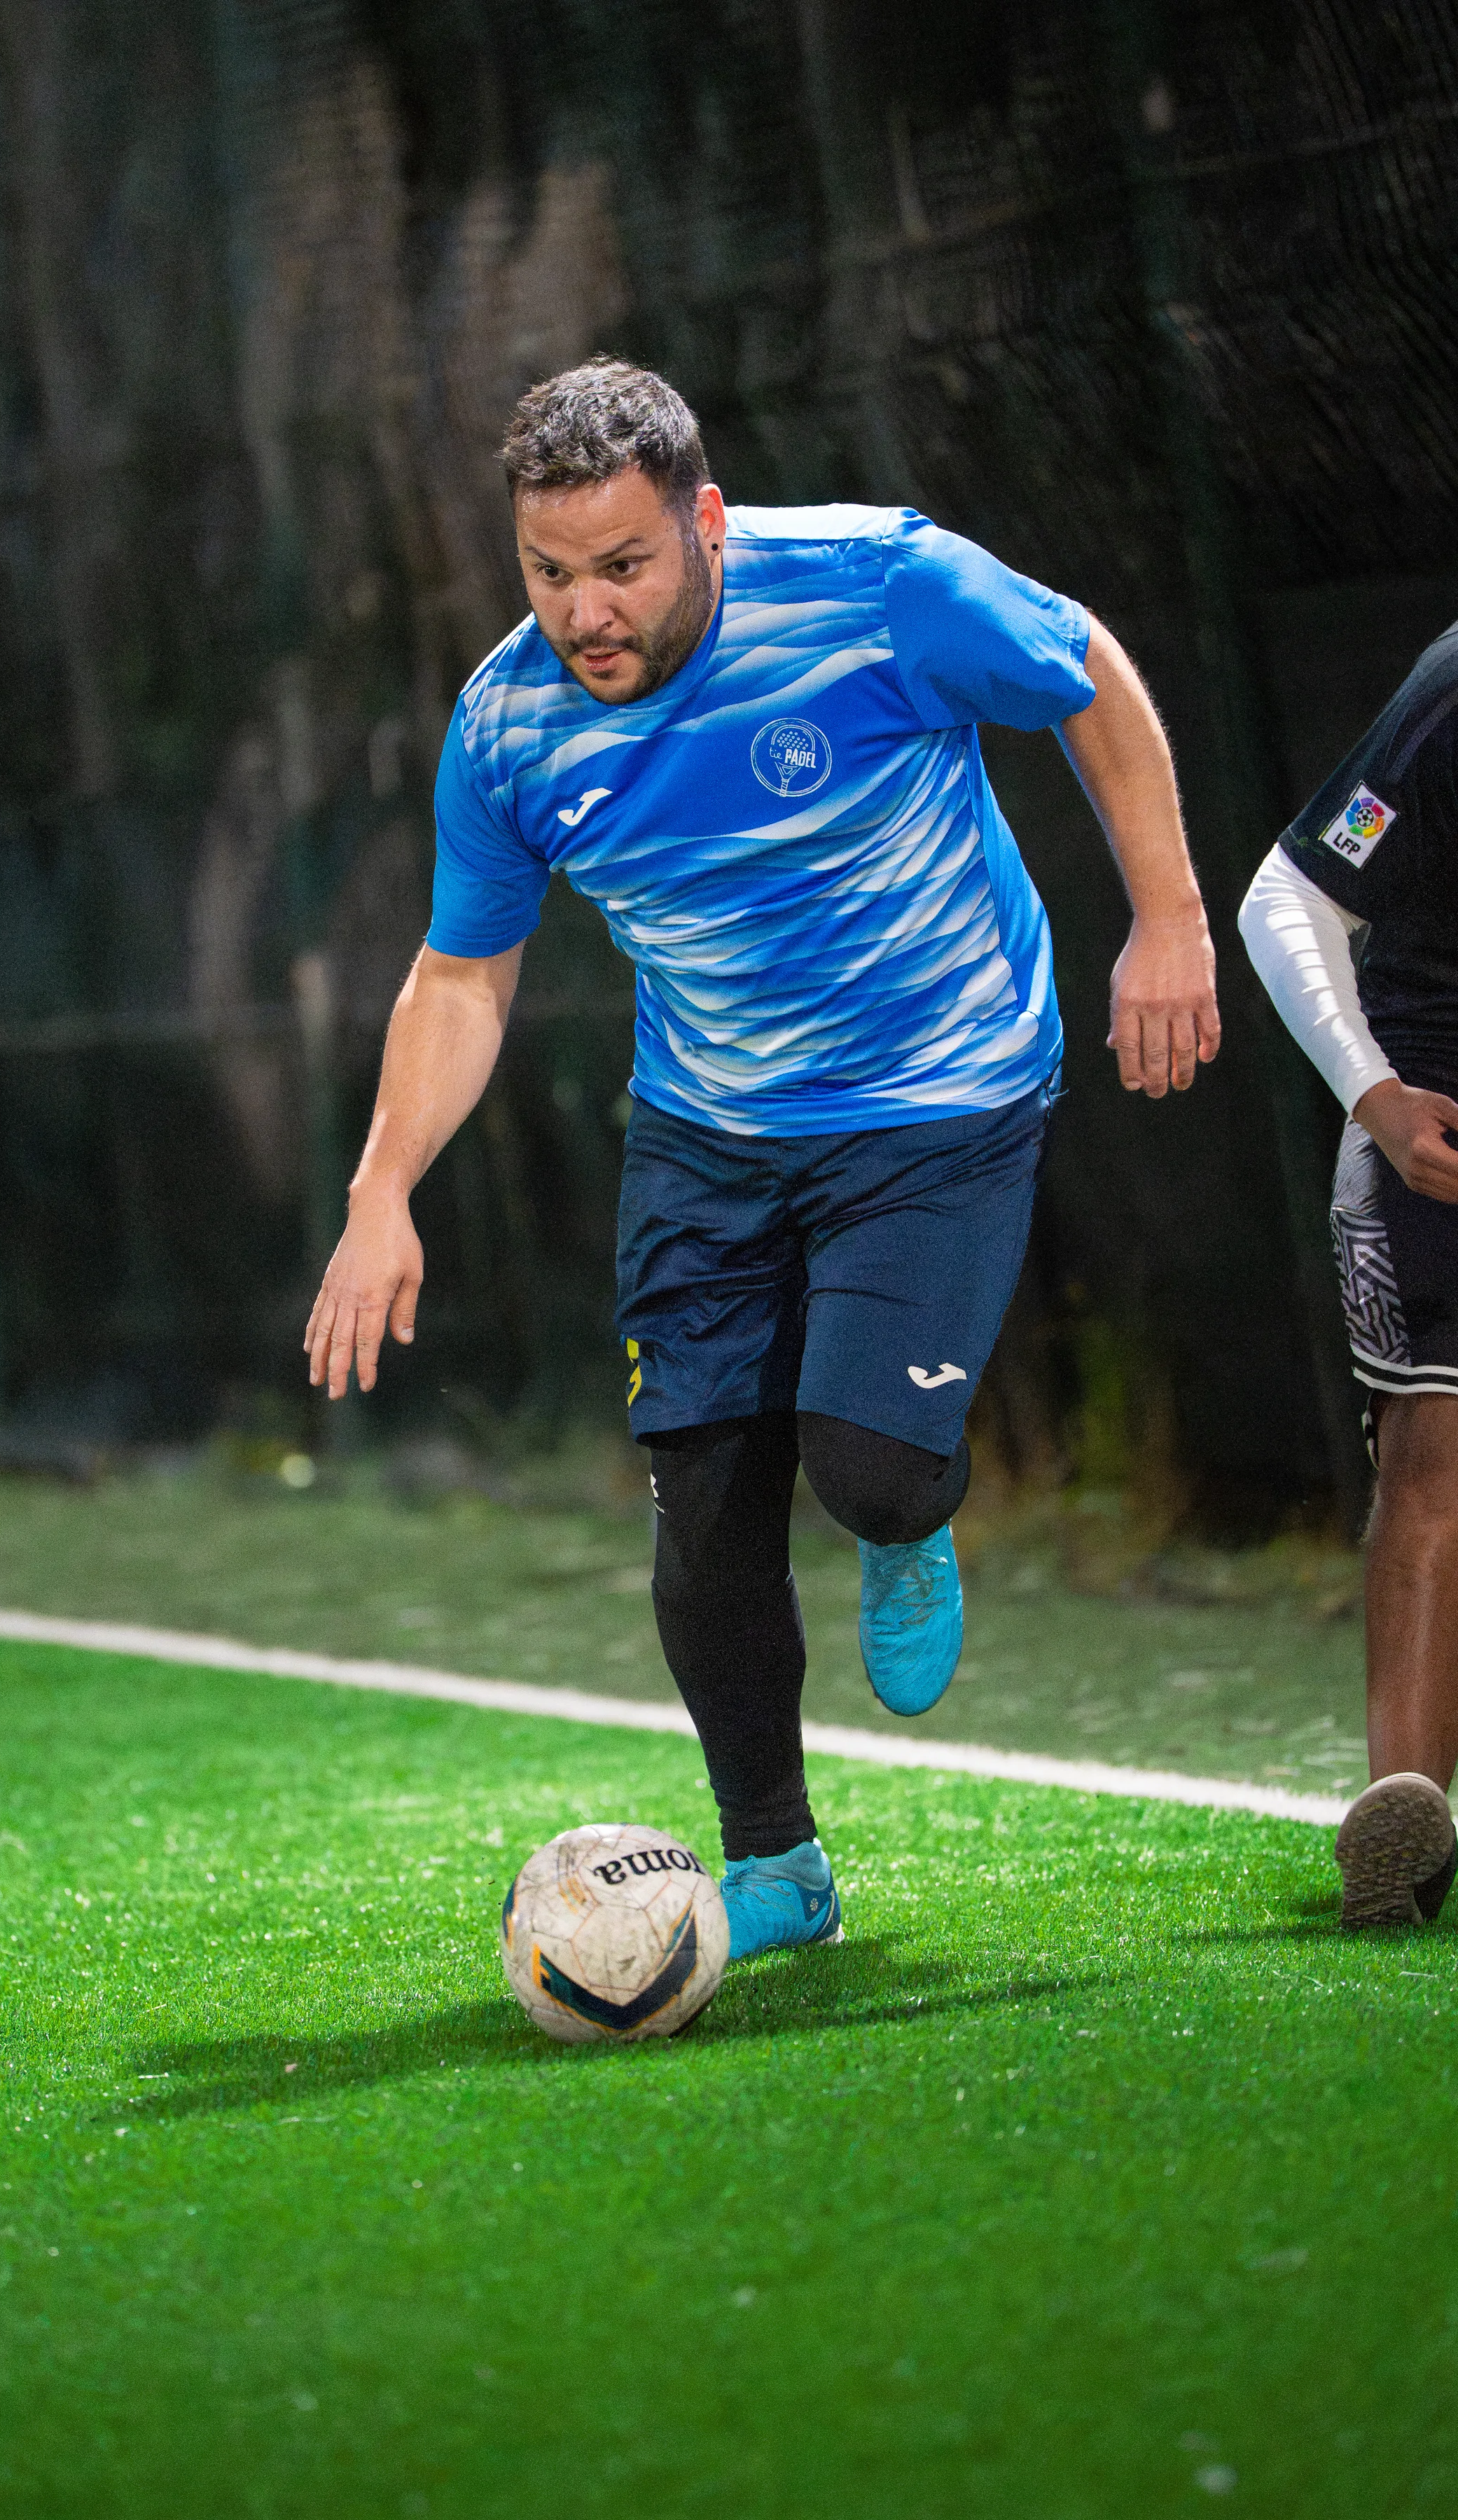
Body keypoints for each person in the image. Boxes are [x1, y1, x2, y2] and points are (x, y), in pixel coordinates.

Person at [306, 358, 1220, 1961]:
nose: (585, 610)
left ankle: (904, 1509)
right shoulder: (508, 724)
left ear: (706, 523)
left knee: (864, 1468)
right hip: (711, 1128)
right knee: (705, 1507)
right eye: (548, 571)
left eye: (623, 565)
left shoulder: (881, 590)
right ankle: (778, 1861)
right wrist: (382, 1193)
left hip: (938, 1091)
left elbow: (1085, 669)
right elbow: (463, 972)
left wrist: (1168, 917)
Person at [1240, 620, 1458, 1928]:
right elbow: (1294, 891)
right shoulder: (1448, 698)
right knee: (1437, 1452)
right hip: (1439, 1110)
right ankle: (1405, 1828)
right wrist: (1374, 1094)